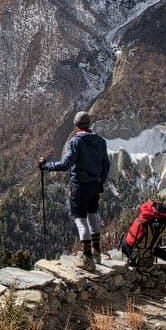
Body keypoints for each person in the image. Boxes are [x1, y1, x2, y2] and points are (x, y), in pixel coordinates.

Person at [38, 110, 110, 270]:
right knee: (93, 216)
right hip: (95, 185)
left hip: (80, 186)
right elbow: (106, 164)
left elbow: (65, 164)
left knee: (80, 220)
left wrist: (46, 166)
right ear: (89, 124)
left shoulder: (76, 142)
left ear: (76, 126)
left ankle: (87, 258)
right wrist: (101, 183)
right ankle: (96, 252)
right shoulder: (100, 141)